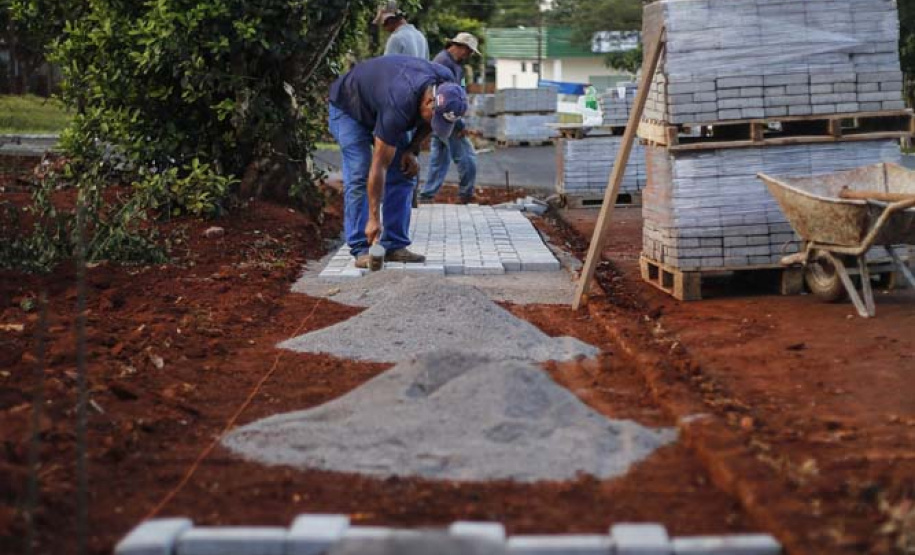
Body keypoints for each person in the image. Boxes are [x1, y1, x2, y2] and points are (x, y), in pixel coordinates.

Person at [328, 55, 467, 268]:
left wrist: (411, 150)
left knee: (404, 170)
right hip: (349, 106)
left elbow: (432, 122)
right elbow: (379, 165)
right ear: (429, 101)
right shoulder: (399, 101)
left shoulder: (447, 88)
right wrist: (374, 218)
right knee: (360, 172)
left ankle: (394, 245)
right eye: (433, 116)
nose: (433, 121)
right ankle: (362, 248)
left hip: (383, 102)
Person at [419, 32, 480, 204]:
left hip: (440, 118)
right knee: (467, 156)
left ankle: (426, 195)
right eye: (469, 51)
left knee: (439, 158)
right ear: (460, 47)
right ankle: (466, 194)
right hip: (446, 117)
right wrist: (459, 124)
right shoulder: (444, 64)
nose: (469, 56)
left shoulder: (452, 63)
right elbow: (446, 100)